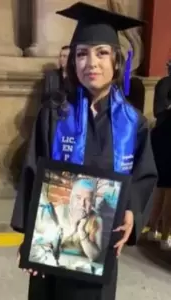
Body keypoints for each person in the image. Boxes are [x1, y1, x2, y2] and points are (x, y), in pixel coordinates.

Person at [10, 2, 157, 300]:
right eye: (82, 54)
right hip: (51, 246)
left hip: (98, 248)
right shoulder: (53, 114)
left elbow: (144, 175)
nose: (91, 63)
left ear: (116, 61)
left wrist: (132, 210)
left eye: (102, 53)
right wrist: (31, 239)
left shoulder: (133, 123)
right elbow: (31, 173)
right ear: (72, 63)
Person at [148, 60, 171, 249]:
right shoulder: (165, 83)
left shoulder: (163, 83)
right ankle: (164, 234)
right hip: (167, 147)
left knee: (162, 191)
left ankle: (153, 228)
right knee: (168, 194)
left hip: (162, 146)